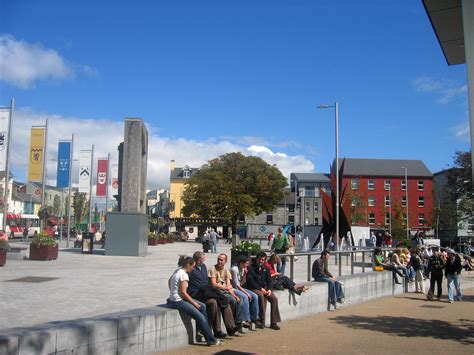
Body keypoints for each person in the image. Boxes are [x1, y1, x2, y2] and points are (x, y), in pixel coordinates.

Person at [166, 256, 222, 346]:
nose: (193, 268)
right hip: (178, 302)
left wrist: (173, 292)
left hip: (174, 299)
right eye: (192, 266)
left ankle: (203, 331)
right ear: (188, 265)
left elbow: (169, 281)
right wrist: (194, 303)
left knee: (203, 306)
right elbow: (184, 293)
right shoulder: (184, 275)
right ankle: (211, 340)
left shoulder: (177, 271)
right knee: (200, 318)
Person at [187, 251, 238, 338]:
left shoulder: (203, 267)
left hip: (206, 291)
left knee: (221, 300)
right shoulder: (191, 268)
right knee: (215, 301)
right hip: (196, 293)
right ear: (198, 260)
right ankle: (216, 330)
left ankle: (229, 327)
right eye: (202, 259)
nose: (203, 261)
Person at [208, 253, 247, 332]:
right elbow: (214, 284)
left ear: (225, 261)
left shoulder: (226, 271)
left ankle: (238, 322)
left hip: (224, 292)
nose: (219, 261)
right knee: (231, 301)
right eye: (218, 259)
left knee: (238, 299)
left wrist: (234, 295)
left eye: (221, 260)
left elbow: (229, 286)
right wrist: (225, 287)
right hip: (216, 292)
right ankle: (234, 324)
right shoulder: (212, 269)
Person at [246, 251, 281, 330]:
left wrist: (269, 289)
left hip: (265, 288)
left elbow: (270, 280)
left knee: (274, 299)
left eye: (263, 260)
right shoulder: (251, 268)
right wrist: (260, 288)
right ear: (257, 259)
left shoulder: (266, 268)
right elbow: (251, 281)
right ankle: (261, 321)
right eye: (260, 259)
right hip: (255, 288)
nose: (261, 261)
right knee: (261, 296)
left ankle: (273, 322)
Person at [230, 255, 261, 330]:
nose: (247, 265)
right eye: (246, 263)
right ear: (241, 263)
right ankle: (246, 319)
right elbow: (236, 285)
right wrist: (246, 293)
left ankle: (255, 318)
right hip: (233, 288)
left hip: (240, 287)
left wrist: (245, 274)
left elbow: (243, 282)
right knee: (245, 297)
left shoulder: (243, 269)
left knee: (255, 296)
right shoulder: (234, 269)